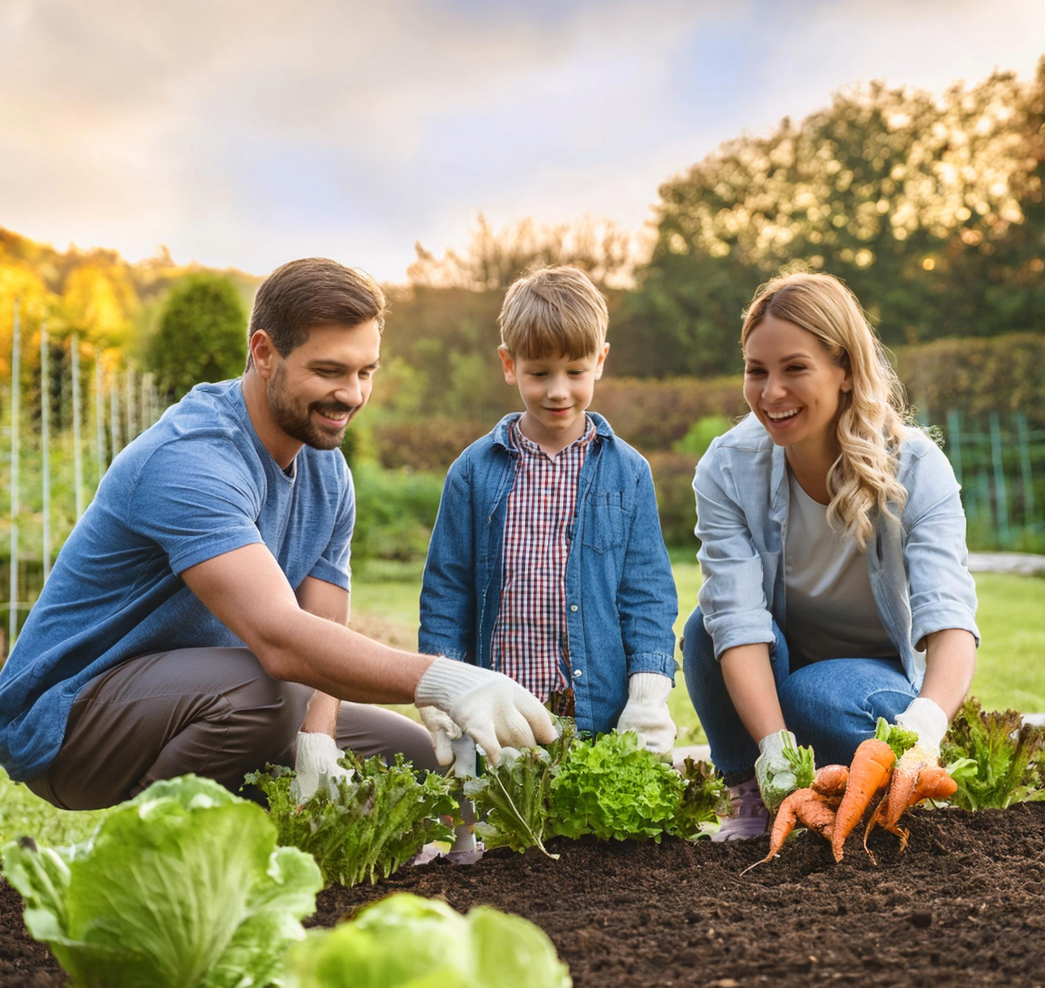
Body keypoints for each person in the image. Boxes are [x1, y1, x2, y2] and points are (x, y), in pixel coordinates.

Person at [0, 257, 555, 812]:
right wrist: (442, 678)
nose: (353, 395)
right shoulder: (192, 458)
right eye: (329, 371)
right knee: (269, 690)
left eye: (365, 372)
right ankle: (135, 855)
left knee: (413, 760)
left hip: (210, 698)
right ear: (264, 353)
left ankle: (246, 825)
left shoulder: (327, 470)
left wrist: (318, 742)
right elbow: (282, 641)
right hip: (71, 723)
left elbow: (323, 624)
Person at [682, 272, 978, 840]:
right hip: (781, 662)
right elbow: (738, 621)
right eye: (756, 371)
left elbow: (950, 617)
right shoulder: (727, 468)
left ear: (843, 369)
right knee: (704, 628)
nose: (771, 393)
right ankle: (750, 796)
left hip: (876, 681)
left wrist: (926, 723)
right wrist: (770, 750)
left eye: (795, 368)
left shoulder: (915, 466)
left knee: (812, 696)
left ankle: (888, 776)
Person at [418, 266, 679, 767]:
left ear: (599, 361)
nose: (558, 391)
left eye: (575, 372)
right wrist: (442, 686)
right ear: (508, 364)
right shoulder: (473, 472)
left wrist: (647, 695)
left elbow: (647, 591)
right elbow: (448, 589)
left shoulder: (629, 472)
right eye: (539, 373)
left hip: (595, 715)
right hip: (497, 713)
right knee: (503, 837)